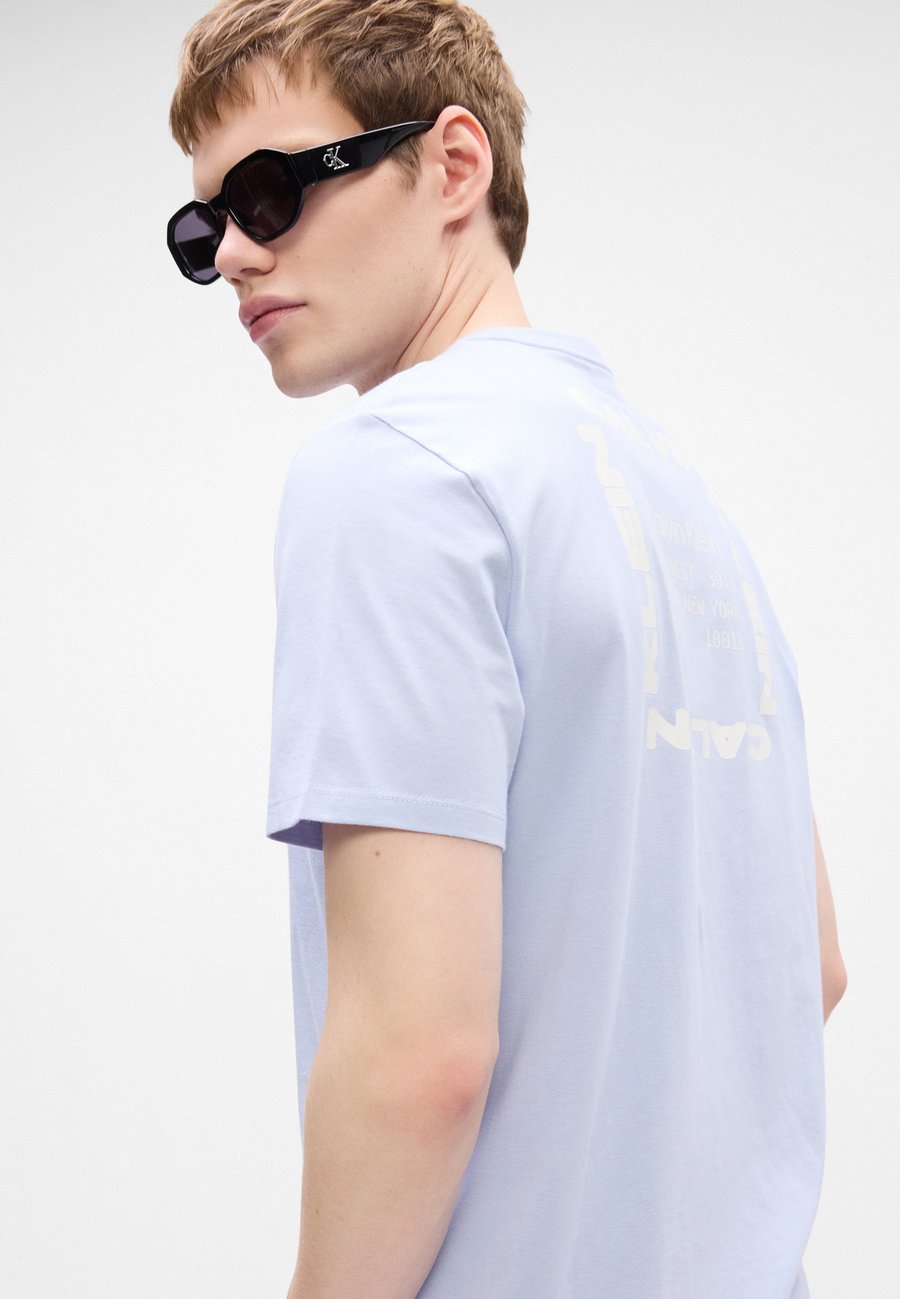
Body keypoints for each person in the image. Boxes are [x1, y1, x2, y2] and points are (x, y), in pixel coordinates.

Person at [166, 2, 847, 1295]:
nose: (238, 256)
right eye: (203, 230)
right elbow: (804, 966)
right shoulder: (683, 505)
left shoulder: (394, 474)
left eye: (267, 194)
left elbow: (416, 1055)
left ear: (453, 165)